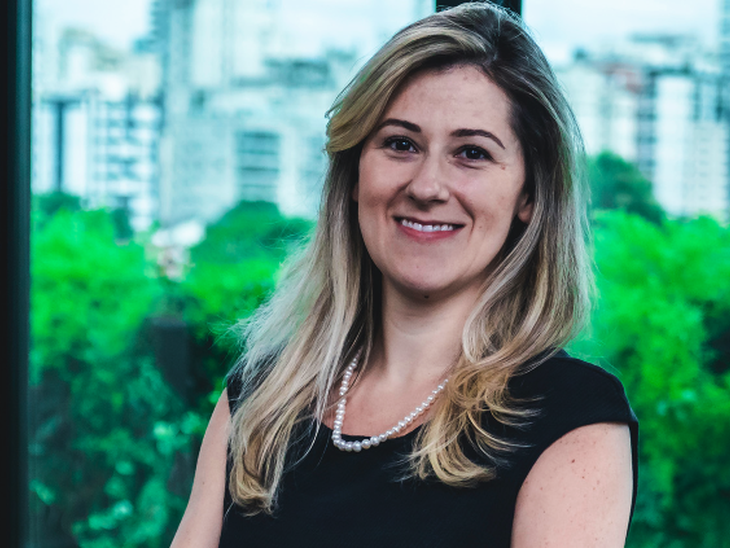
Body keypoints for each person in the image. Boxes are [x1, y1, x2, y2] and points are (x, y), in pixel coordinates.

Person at [171, 3, 638, 547]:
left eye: (471, 153)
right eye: (400, 144)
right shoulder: (259, 398)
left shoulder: (574, 420)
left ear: (528, 195)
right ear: (354, 173)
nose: (427, 186)